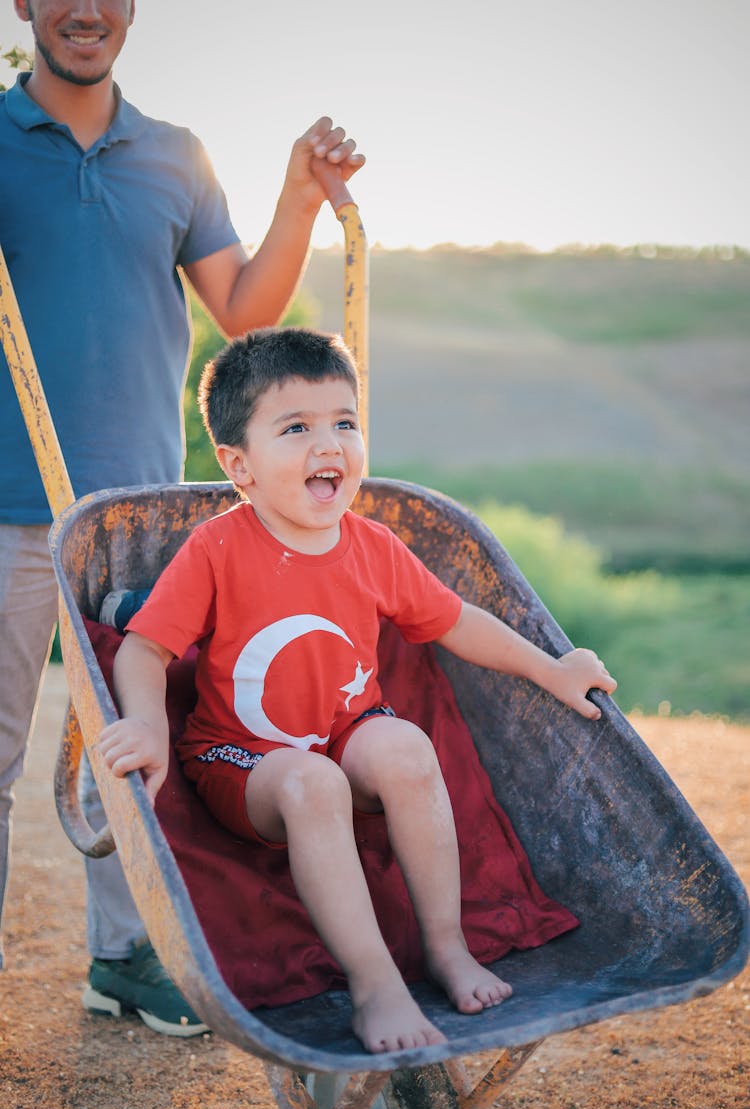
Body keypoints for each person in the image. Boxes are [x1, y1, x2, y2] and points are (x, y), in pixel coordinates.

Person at [96, 327, 618, 1054]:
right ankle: (376, 981)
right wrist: (149, 723)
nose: (329, 444)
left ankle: (445, 943)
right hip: (245, 759)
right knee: (313, 783)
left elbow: (456, 621)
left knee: (405, 746)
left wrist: (551, 668)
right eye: (297, 427)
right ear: (238, 465)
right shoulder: (218, 547)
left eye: (345, 421)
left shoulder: (372, 545)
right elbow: (147, 649)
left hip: (346, 728)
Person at [0, 0, 364, 1036]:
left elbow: (245, 313)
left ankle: (126, 961)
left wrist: (298, 195)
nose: (85, 9)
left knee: (132, 752)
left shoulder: (175, 155)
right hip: (7, 506)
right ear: (21, 3)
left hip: (136, 521)